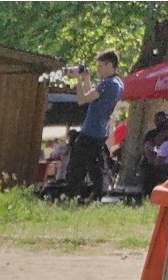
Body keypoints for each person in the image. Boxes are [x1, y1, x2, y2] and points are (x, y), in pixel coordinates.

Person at [64, 49, 124, 201]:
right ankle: (95, 194)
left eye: (101, 66)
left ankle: (73, 194)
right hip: (99, 131)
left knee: (77, 166)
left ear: (109, 65)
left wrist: (78, 79)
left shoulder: (108, 84)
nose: (99, 70)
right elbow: (91, 95)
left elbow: (82, 99)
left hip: (91, 131)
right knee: (93, 165)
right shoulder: (117, 83)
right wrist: (86, 79)